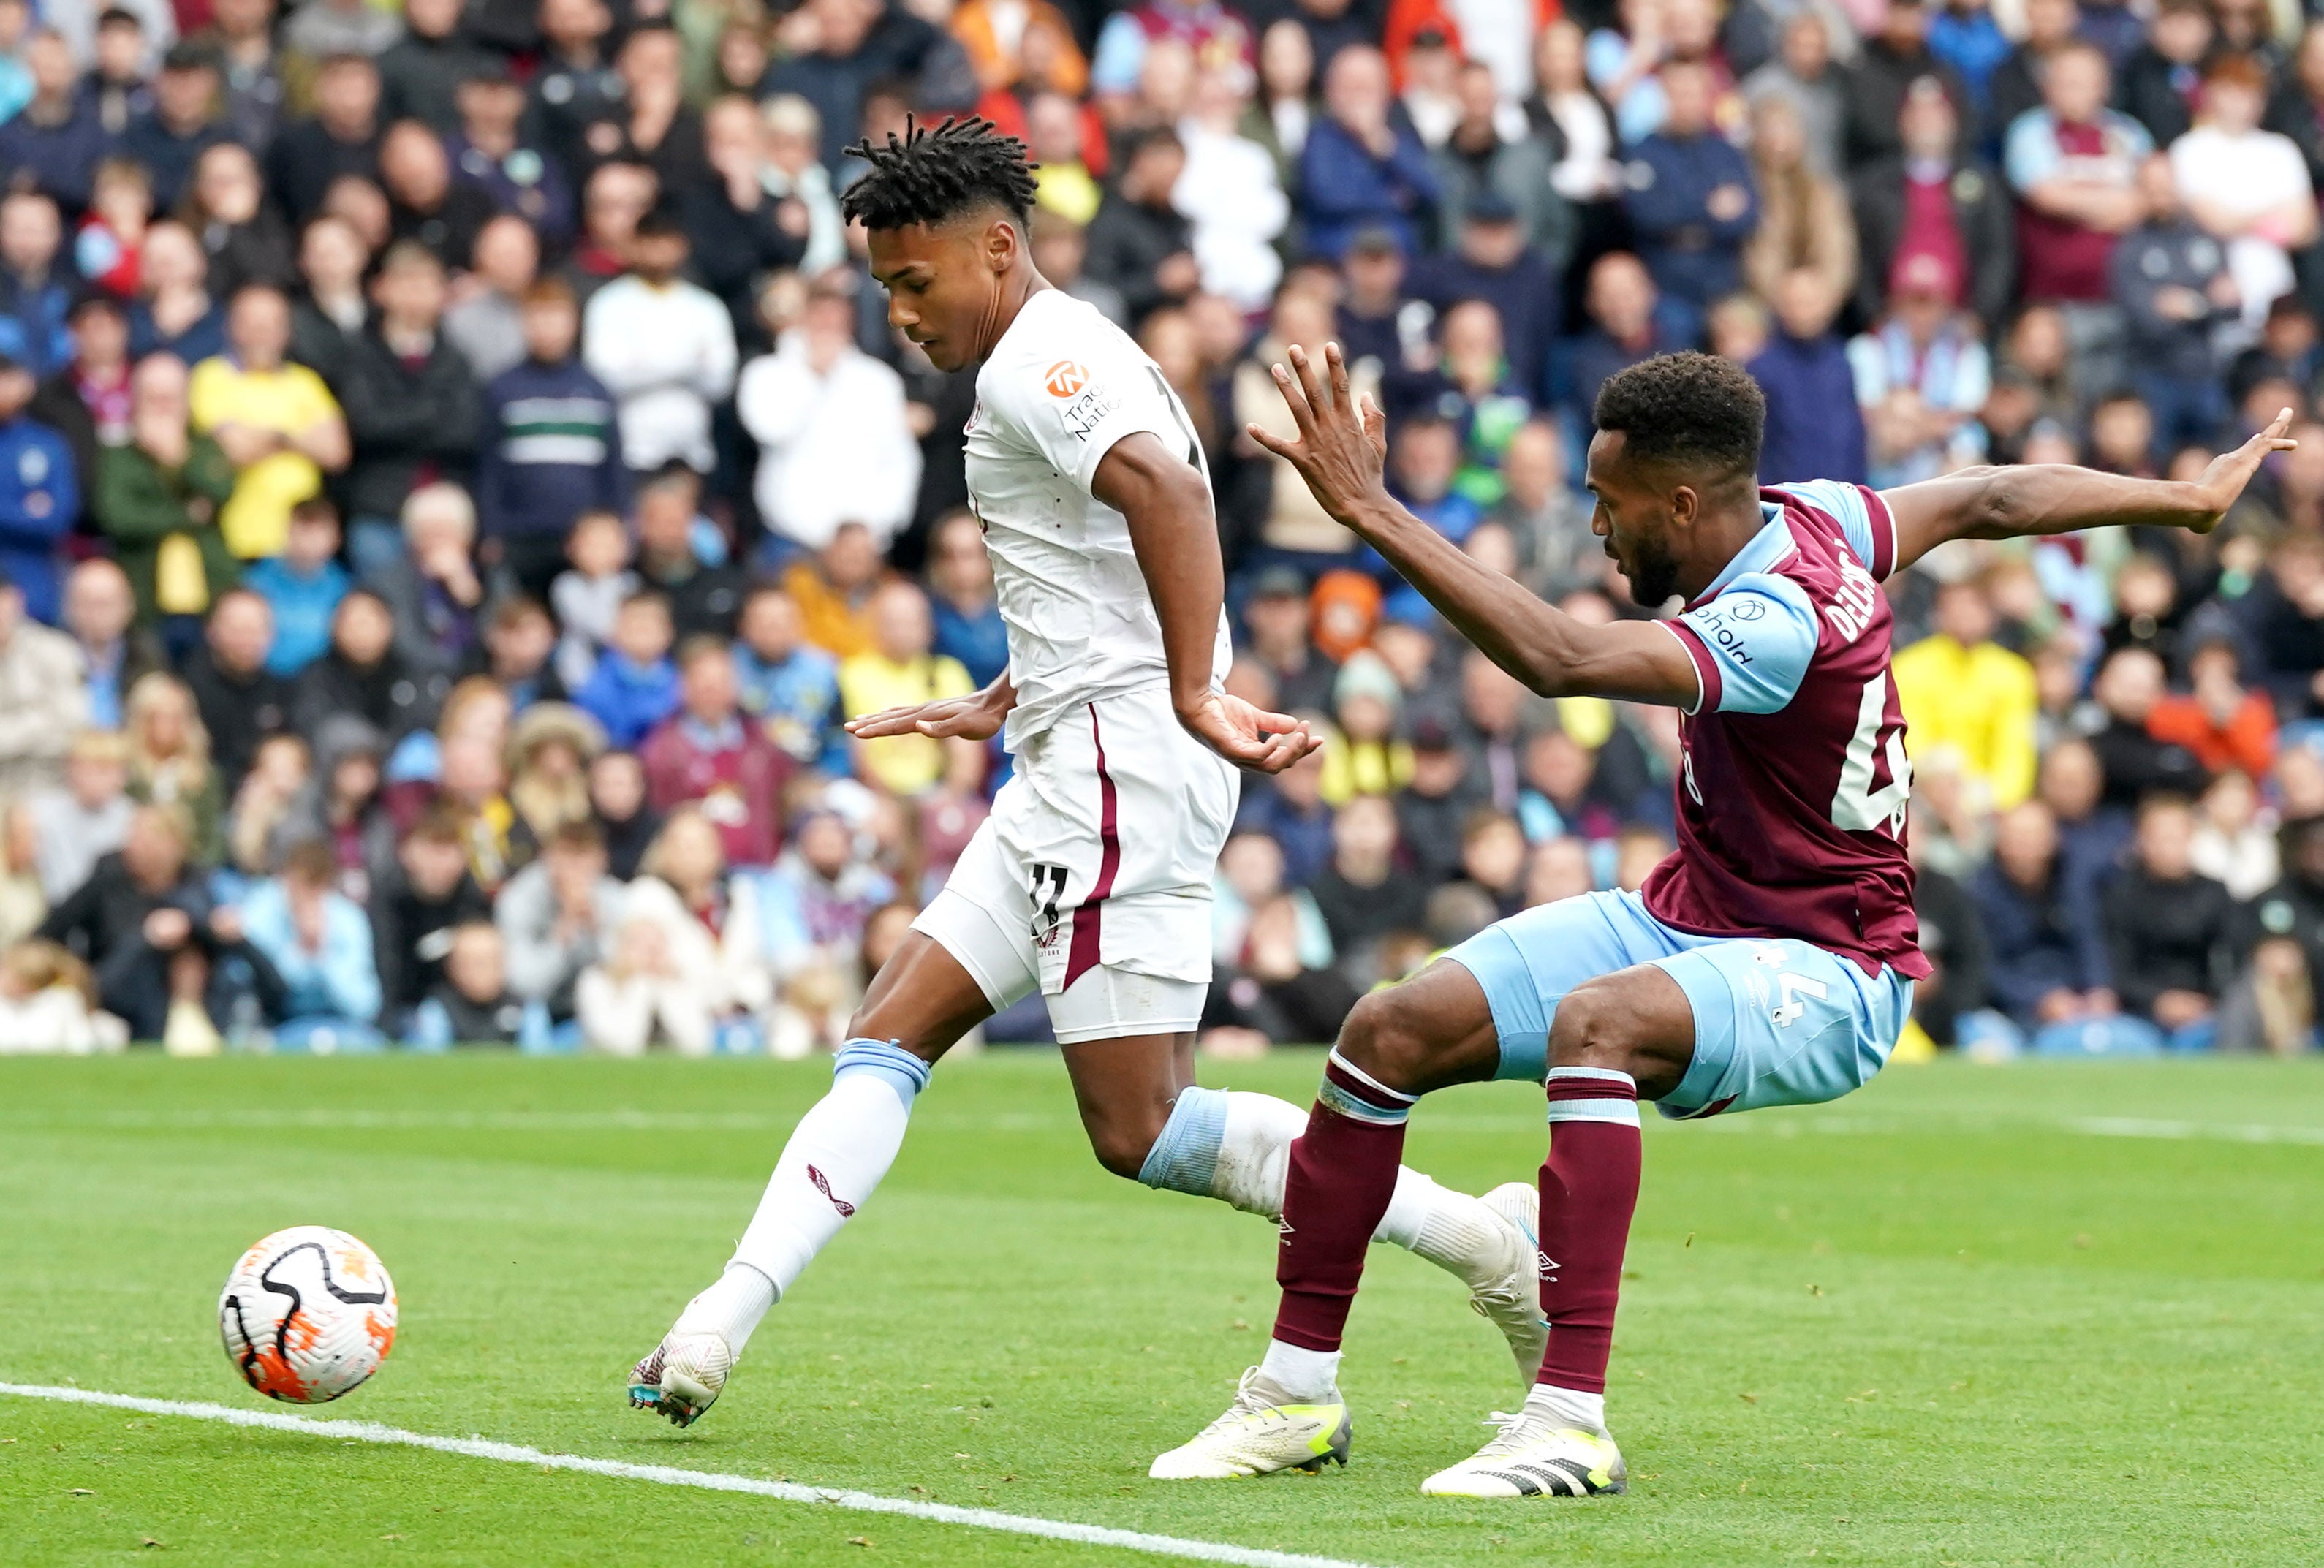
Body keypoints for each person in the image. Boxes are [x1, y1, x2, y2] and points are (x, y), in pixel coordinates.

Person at [1149, 344, 2295, 1491]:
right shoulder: (1819, 517)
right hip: (1689, 917)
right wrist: (2180, 500)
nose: (1598, 528)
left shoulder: (1777, 615)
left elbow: (1558, 658)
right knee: (1386, 1031)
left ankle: (1568, 1422)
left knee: (1594, 1025)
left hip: (1829, 971)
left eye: (1610, 505)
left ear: (1684, 504)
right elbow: (1990, 494)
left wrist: (1368, 509)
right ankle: (1292, 1396)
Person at [626, 117, 1532, 1431]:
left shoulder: (1035, 365)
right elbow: (1101, 547)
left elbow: (1165, 492)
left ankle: (1487, 1245)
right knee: (887, 1035)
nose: (899, 313)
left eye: (913, 281)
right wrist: (1015, 687)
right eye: (882, 288)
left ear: (997, 248)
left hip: (1117, 766)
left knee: (1141, 1129)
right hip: (1073, 747)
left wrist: (1183, 690)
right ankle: (713, 1324)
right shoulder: (1059, 349)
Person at [735, 273, 923, 551]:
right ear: (804, 318)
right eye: (821, 317)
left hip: (863, 541)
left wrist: (884, 523)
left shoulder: (878, 380)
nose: (829, 327)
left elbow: (899, 456)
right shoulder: (766, 373)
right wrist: (814, 378)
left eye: (838, 319)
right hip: (791, 536)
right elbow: (771, 430)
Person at [581, 205, 738, 477]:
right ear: (633, 245)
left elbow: (721, 381)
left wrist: (645, 363)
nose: (658, 250)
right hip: (632, 453)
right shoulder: (608, 304)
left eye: (666, 241)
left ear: (682, 246)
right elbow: (605, 377)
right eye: (650, 240)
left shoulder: (706, 308)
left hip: (693, 453)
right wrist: (687, 362)